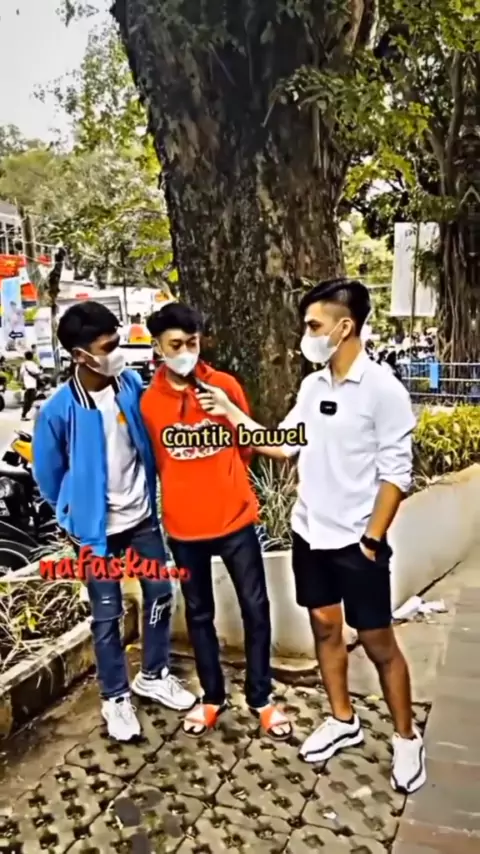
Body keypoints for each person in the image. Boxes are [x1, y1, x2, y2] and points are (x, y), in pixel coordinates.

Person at [195, 278, 426, 794]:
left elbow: (396, 476)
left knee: (379, 642)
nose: (307, 334)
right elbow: (283, 444)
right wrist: (230, 412)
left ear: (345, 327)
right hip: (309, 535)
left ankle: (407, 737)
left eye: (313, 325)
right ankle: (343, 719)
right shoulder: (313, 387)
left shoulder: (383, 390)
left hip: (358, 543)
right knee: (324, 629)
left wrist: (371, 540)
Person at [32, 301, 195, 741]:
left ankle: (154, 675)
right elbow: (48, 475)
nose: (118, 352)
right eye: (108, 347)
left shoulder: (130, 385)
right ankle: (115, 697)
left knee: (161, 593)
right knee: (107, 614)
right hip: (95, 532)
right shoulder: (58, 410)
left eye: (117, 342)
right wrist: (75, 511)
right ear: (80, 355)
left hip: (141, 517)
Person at [140, 302, 292, 740]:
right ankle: (212, 696)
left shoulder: (224, 386)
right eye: (175, 345)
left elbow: (246, 443)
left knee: (255, 607)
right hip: (184, 527)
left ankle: (261, 697)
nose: (186, 352)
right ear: (158, 348)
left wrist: (225, 471)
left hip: (235, 519)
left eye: (192, 342)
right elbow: (157, 459)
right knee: (199, 613)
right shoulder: (149, 403)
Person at [20, 350, 41, 420]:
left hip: (26, 385)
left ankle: (24, 415)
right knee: (30, 401)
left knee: (27, 401)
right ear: (32, 357)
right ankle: (26, 415)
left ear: (25, 357)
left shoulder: (23, 364)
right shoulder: (33, 364)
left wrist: (22, 382)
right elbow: (38, 372)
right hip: (32, 385)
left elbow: (21, 374)